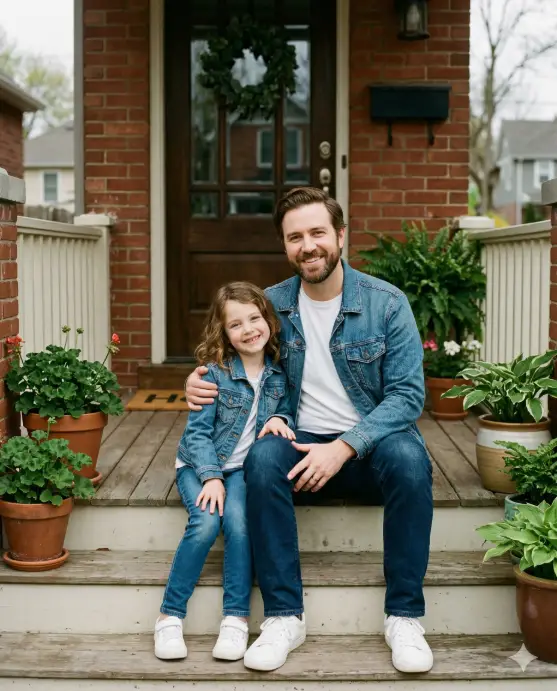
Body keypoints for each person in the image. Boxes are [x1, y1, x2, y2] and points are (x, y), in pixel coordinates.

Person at [185, 187, 434, 674]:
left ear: (340, 235)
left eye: (318, 232)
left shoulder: (386, 304)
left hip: (370, 443)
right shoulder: (271, 306)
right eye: (295, 237)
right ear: (285, 245)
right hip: (298, 442)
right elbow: (228, 352)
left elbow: (407, 397)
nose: (308, 245)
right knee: (259, 459)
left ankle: (404, 616)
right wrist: (195, 379)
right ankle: (283, 616)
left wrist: (343, 447)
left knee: (410, 460)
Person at [154, 281, 295, 662]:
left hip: (242, 472)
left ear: (269, 320)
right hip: (201, 466)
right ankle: (169, 616)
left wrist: (281, 417)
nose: (248, 329)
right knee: (205, 523)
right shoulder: (214, 374)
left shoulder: (280, 376)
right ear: (225, 334)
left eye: (255, 318)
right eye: (236, 325)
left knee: (241, 525)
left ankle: (235, 620)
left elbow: (292, 412)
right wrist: (211, 476)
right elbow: (196, 434)